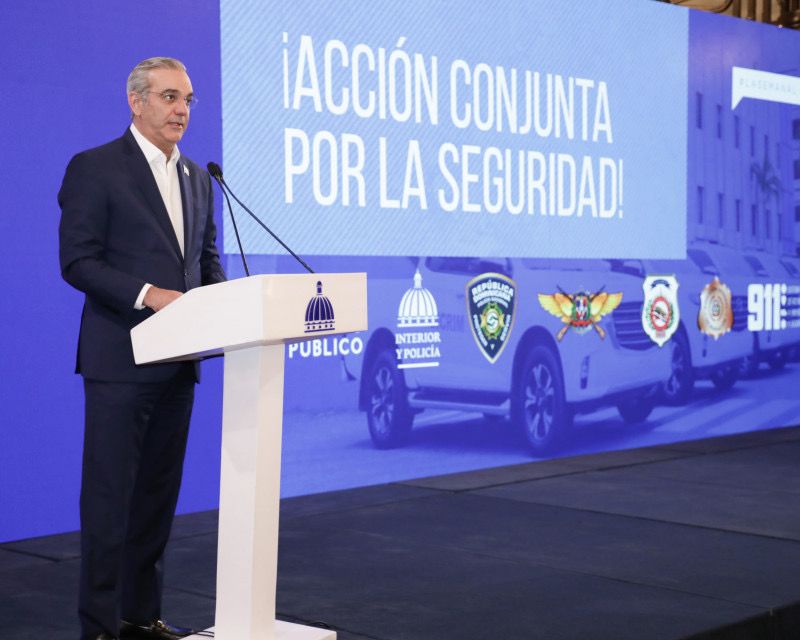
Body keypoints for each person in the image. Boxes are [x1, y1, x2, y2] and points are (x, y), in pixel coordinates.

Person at [58, 57, 226, 640]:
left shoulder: (199, 178)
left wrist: (225, 303)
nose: (182, 110)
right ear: (137, 101)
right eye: (170, 97)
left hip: (178, 365)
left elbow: (205, 262)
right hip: (120, 361)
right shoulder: (96, 168)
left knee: (156, 499)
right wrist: (147, 294)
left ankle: (139, 616)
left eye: (188, 100)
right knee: (110, 501)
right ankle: (100, 626)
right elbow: (78, 261)